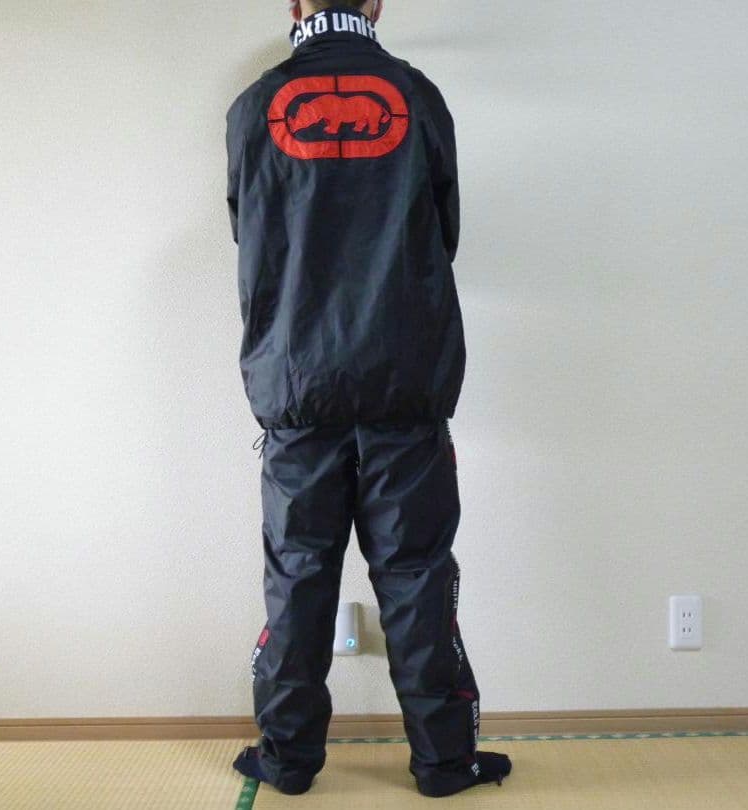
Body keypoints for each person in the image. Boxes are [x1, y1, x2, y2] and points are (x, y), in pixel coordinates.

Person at [225, 0, 512, 797]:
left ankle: (287, 762)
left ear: (294, 5)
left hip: (297, 385)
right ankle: (445, 763)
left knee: (299, 577)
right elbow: (444, 232)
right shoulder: (417, 97)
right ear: (377, 3)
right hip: (404, 381)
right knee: (417, 576)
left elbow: (248, 233)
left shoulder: (254, 106)